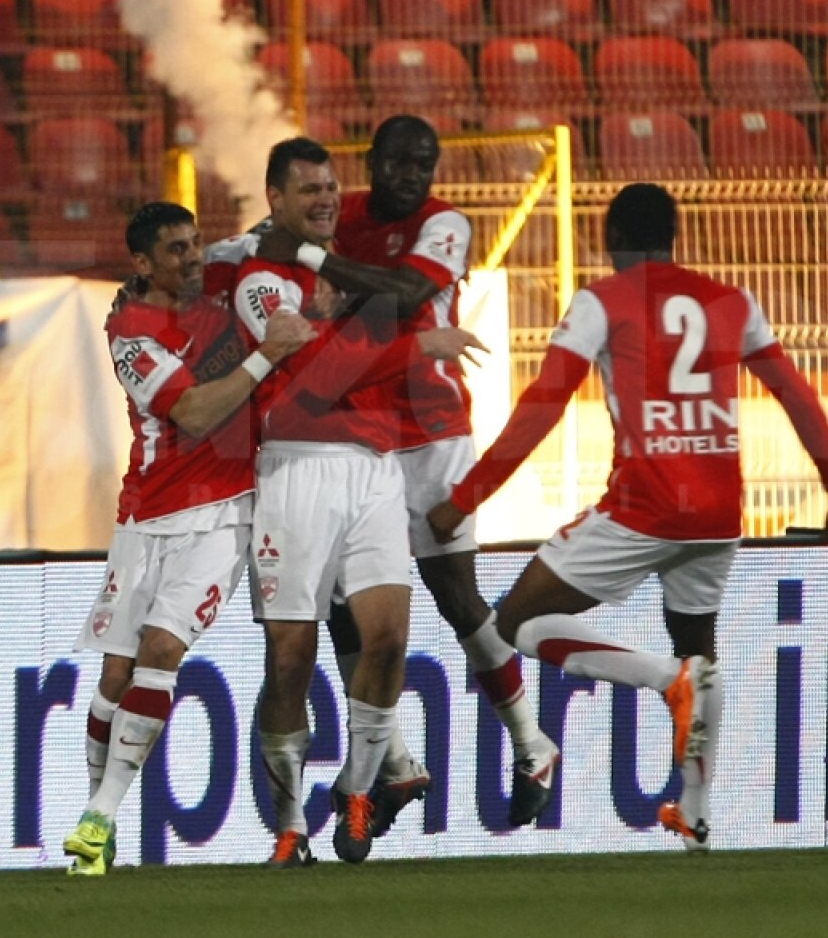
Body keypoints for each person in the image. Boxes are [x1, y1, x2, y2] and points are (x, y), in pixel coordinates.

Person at [428, 182, 828, 852]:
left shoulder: (601, 302)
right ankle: (694, 814)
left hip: (642, 505)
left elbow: (543, 407)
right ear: (675, 235)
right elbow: (796, 395)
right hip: (719, 511)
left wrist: (463, 499)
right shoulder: (732, 300)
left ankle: (666, 681)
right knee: (700, 648)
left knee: (513, 623)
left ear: (609, 240)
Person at [253, 115, 561, 833]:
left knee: (452, 591)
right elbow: (274, 255)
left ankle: (532, 742)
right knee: (339, 596)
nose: (410, 174)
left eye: (424, 162)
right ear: (376, 161)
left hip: (432, 432)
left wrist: (309, 256)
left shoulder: (445, 223)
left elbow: (404, 292)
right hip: (364, 434)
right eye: (397, 161)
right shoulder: (343, 212)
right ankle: (394, 759)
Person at [231, 137, 486, 867]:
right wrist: (415, 346)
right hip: (296, 467)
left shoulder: (346, 270)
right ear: (275, 199)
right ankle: (287, 826)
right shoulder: (258, 280)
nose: (325, 198)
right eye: (307, 189)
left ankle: (361, 785)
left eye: (331, 187)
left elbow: (398, 300)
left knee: (388, 639)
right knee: (290, 657)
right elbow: (314, 376)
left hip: (376, 467)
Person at [63, 201, 313, 877]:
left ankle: (100, 816)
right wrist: (268, 354)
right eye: (175, 250)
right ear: (142, 264)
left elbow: (271, 231)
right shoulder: (130, 334)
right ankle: (98, 814)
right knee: (115, 675)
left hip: (224, 510)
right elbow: (197, 412)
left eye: (196, 243)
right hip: (144, 515)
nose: (193, 257)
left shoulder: (226, 270)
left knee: (161, 648)